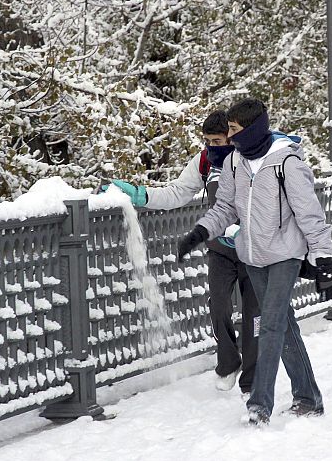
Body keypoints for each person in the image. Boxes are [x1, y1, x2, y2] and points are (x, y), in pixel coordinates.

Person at [177, 98, 332, 426]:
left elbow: (310, 214)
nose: (231, 138)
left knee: (271, 325)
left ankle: (259, 405)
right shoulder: (236, 161)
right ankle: (309, 399)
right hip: (252, 255)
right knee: (285, 324)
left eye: (235, 131)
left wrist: (324, 260)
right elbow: (226, 207)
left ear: (252, 129)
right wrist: (199, 232)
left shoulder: (286, 162)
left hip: (284, 255)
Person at [103, 112, 259, 396]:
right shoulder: (204, 162)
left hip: (254, 250)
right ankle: (228, 362)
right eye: (208, 140)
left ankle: (252, 382)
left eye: (218, 140)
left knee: (253, 315)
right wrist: (140, 195)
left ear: (232, 137)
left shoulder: (250, 159)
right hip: (221, 249)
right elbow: (177, 192)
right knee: (218, 305)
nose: (213, 146)